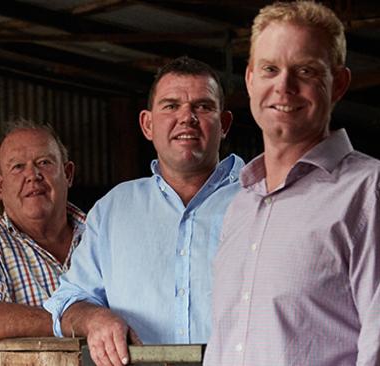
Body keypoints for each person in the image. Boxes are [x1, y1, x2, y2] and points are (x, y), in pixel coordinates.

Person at [204, 2, 380, 365]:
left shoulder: (375, 194)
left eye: (306, 70)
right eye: (270, 69)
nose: (284, 86)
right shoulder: (241, 204)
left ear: (339, 84)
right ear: (250, 79)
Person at [44, 56, 244, 366]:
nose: (187, 117)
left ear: (225, 124)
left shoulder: (260, 201)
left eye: (203, 106)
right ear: (147, 125)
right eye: (170, 106)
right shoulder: (113, 210)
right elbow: (68, 301)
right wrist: (94, 318)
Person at [0, 119, 85, 344]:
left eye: (44, 162)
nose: (33, 175)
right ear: (0, 186)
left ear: (68, 174)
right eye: (17, 167)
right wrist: (77, 321)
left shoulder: (102, 233)